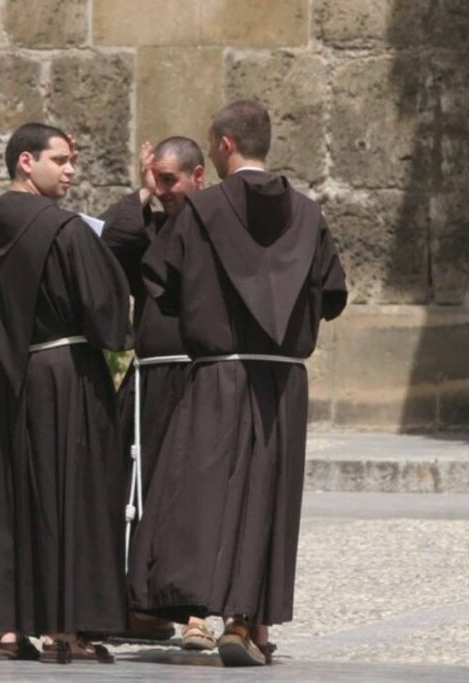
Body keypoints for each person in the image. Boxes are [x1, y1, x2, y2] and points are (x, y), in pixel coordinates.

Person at [131, 100, 348, 666]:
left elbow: (161, 283)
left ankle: (198, 614)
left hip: (218, 370)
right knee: (265, 497)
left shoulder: (200, 211)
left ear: (224, 145)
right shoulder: (308, 214)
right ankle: (246, 622)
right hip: (282, 379)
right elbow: (332, 295)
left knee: (201, 491)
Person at [0, 122, 133, 664]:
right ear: (25, 162)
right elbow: (106, 315)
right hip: (68, 373)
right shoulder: (67, 230)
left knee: (11, 500)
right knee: (74, 496)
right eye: (60, 159)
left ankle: (10, 629)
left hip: (12, 374)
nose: (70, 170)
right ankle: (66, 630)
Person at [99, 137, 217, 650]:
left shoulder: (216, 225)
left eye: (171, 180)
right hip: (149, 377)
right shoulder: (148, 228)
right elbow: (110, 240)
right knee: (135, 489)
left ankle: (195, 613)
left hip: (196, 376)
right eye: (158, 178)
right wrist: (143, 190)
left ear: (198, 176)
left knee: (190, 494)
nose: (164, 189)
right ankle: (140, 605)